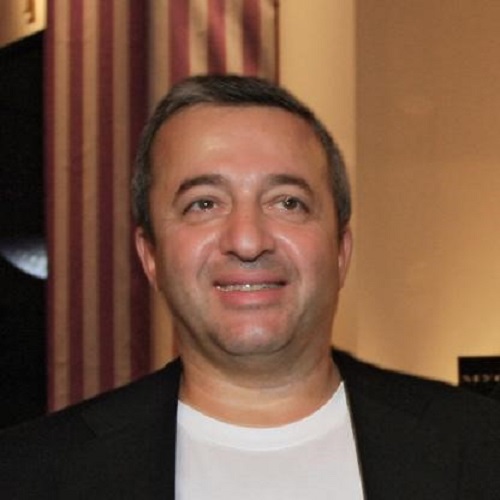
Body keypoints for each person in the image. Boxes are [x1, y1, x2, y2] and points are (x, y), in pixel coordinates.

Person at [1, 74, 499, 499]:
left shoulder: (482, 451)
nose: (247, 240)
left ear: (340, 252)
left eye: (287, 202)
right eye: (203, 204)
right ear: (150, 256)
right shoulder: (28, 476)